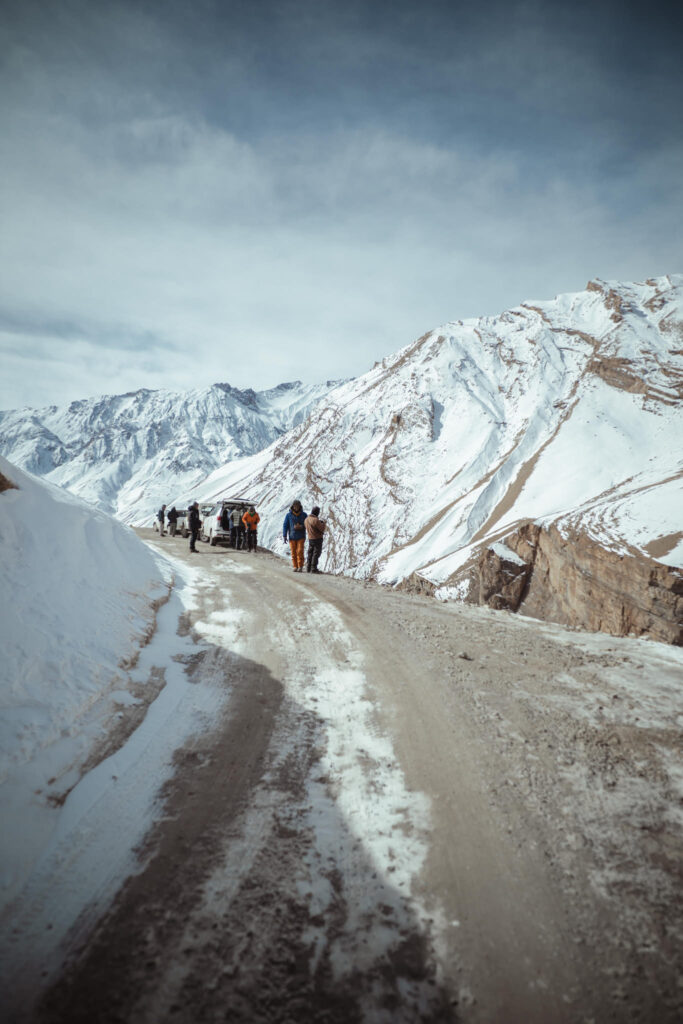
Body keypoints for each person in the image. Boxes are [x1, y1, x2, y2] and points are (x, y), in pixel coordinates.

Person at [283, 500, 307, 571]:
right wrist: (284, 535)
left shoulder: (304, 515)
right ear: (293, 506)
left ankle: (300, 566)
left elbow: (307, 524)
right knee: (293, 552)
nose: (296, 507)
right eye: (295, 506)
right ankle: (295, 566)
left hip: (301, 536)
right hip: (292, 536)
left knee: (300, 551)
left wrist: (301, 527)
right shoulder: (288, 515)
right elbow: (285, 525)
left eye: (297, 506)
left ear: (300, 506)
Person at [304, 506, 326, 573]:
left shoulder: (306, 519)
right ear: (317, 512)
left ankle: (308, 567)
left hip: (310, 538)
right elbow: (321, 529)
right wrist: (323, 523)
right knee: (316, 553)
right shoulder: (315, 520)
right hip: (317, 538)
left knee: (310, 553)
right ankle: (313, 568)